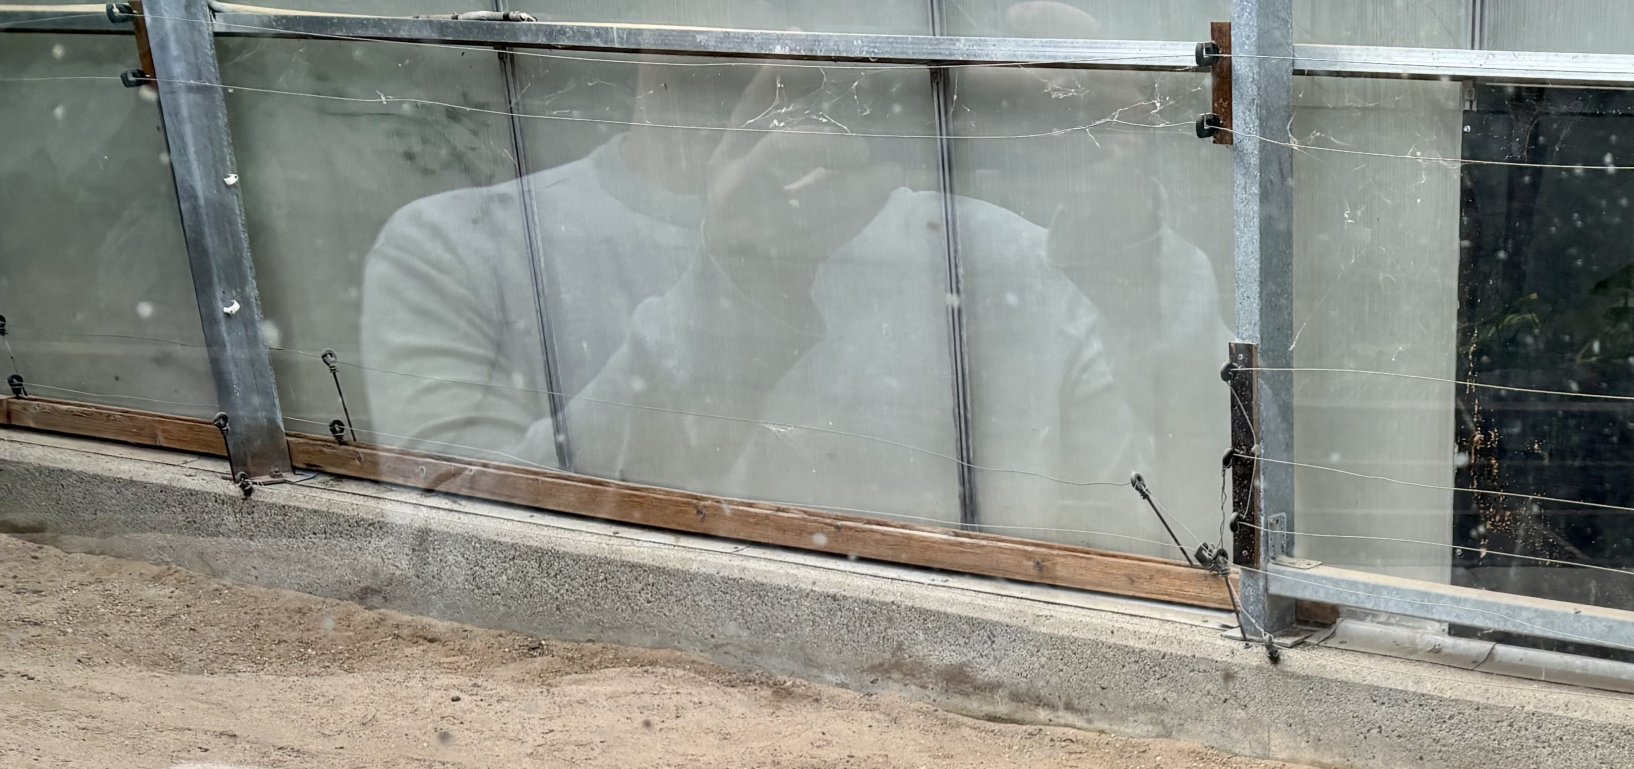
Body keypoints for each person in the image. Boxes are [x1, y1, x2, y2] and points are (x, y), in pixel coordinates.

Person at [359, 49, 1229, 556]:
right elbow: (452, 547)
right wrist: (741, 277)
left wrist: (1125, 263)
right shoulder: (461, 245)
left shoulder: (999, 254)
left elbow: (1175, 532)